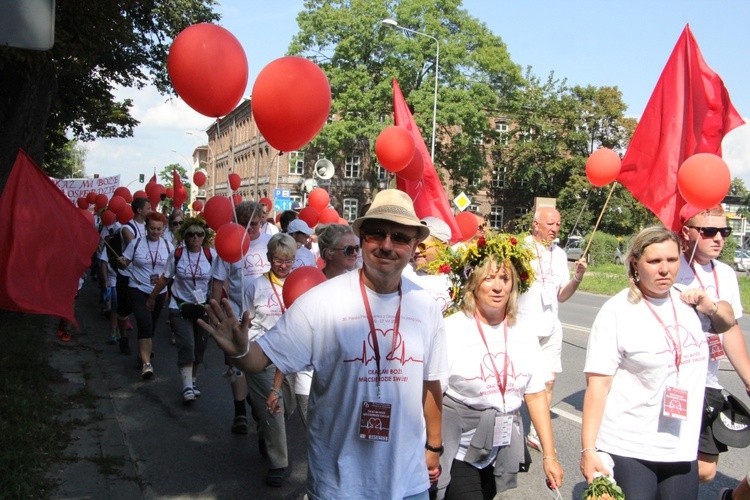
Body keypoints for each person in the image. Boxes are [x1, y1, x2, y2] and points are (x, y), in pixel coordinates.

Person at [201, 189, 448, 499]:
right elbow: (259, 359)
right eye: (377, 234)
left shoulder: (425, 306)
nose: (387, 245)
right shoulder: (322, 301)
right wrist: (238, 349)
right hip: (339, 484)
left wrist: (434, 446)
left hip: (408, 483)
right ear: (361, 240)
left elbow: (430, 384)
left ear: (413, 247)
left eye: (399, 237)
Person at [580, 226, 714, 499]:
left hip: (681, 446)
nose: (665, 269)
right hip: (630, 446)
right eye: (654, 261)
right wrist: (588, 449)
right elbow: (598, 386)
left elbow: (728, 324)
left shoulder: (691, 304)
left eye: (672, 260)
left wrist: (711, 307)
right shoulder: (617, 312)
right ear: (635, 264)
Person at [434, 232, 563, 499]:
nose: (497, 287)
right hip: (459, 449)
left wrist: (549, 456)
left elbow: (536, 394)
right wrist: (430, 446)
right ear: (473, 283)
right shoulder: (452, 328)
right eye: (489, 278)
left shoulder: (523, 331)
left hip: (500, 449)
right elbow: (432, 394)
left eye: (504, 278)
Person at [675, 204, 750, 484]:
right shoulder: (670, 265)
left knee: (705, 471)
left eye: (724, 231)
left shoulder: (726, 274)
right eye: (709, 231)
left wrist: (748, 379)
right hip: (674, 380)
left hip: (708, 382)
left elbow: (730, 329)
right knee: (671, 459)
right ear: (687, 232)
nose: (718, 238)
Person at [273, 223, 359, 428]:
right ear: (328, 253)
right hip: (310, 378)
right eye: (349, 249)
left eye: (357, 248)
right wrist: (276, 387)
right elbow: (291, 335)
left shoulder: (362, 286)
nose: (355, 253)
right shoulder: (309, 284)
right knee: (317, 439)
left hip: (348, 381)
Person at [517, 206, 587, 451]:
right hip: (522, 326)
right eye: (550, 224)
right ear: (536, 224)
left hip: (550, 326)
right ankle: (509, 427)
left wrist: (577, 278)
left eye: (558, 224)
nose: (555, 228)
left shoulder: (559, 254)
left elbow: (561, 295)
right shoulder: (521, 249)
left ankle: (536, 432)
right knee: (518, 382)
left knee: (548, 381)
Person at [210, 201, 272, 434]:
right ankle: (239, 413)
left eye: (253, 224)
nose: (249, 230)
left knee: (261, 370)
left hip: (265, 318)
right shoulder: (228, 244)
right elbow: (218, 281)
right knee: (238, 366)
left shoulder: (270, 244)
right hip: (236, 316)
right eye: (243, 224)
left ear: (262, 221)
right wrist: (216, 317)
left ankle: (259, 409)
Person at [243, 233, 298, 487]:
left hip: (294, 354)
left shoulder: (301, 283)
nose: (284, 266)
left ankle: (265, 432)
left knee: (288, 407)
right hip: (264, 353)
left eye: (289, 261)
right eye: (278, 261)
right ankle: (278, 463)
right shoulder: (256, 286)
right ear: (269, 259)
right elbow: (246, 322)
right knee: (274, 409)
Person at [147, 216, 215, 402]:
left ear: (204, 236)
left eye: (199, 234)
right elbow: (166, 278)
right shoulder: (177, 254)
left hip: (202, 307)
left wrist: (217, 306)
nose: (195, 237)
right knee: (187, 345)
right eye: (191, 234)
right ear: (185, 236)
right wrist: (153, 297)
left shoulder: (211, 255)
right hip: (179, 305)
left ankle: (192, 382)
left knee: (200, 347)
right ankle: (186, 387)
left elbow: (218, 282)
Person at [117, 211, 173, 379]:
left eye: (159, 229)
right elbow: (124, 264)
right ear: (146, 228)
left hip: (159, 291)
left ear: (163, 229)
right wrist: (122, 263)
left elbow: (172, 271)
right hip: (138, 288)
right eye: (152, 228)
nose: (155, 232)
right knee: (144, 323)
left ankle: (143, 353)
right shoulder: (136, 243)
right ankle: (147, 365)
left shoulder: (169, 246)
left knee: (152, 325)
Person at [115, 197, 152, 355]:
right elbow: (137, 249)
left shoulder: (150, 227)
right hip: (127, 275)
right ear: (139, 210)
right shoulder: (127, 228)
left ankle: (145, 350)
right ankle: (123, 338)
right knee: (124, 311)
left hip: (143, 277)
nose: (151, 211)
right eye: (148, 208)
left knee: (144, 315)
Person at [404, 216, 453, 315]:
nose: (416, 251)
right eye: (414, 245)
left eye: (422, 246)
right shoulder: (402, 273)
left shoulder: (457, 278)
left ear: (443, 246)